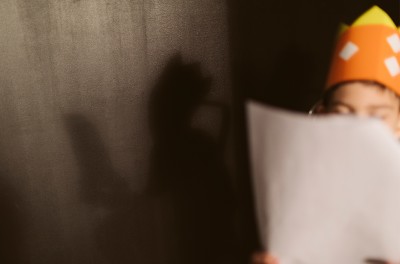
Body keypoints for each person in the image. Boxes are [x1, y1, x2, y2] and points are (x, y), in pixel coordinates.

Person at [252, 5, 400, 264]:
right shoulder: (301, 186)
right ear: (322, 116)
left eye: (377, 116)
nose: (360, 130)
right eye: (345, 113)